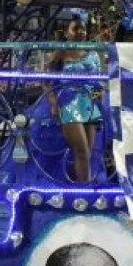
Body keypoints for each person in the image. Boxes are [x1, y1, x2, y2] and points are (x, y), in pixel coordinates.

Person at [47, 12, 103, 184]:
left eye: (83, 29)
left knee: (88, 153)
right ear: (67, 32)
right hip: (69, 104)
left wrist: (98, 110)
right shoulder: (60, 55)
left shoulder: (93, 55)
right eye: (75, 28)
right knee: (82, 152)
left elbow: (98, 85)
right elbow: (47, 83)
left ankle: (76, 185)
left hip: (90, 106)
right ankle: (85, 194)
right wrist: (54, 104)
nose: (80, 32)